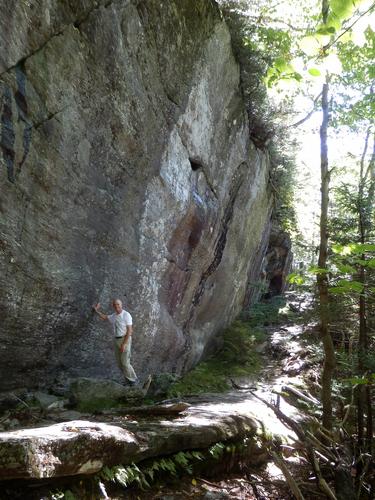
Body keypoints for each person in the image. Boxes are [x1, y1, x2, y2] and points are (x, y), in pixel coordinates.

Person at [92, 299, 138, 385]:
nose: (117, 306)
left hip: (125, 339)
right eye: (115, 305)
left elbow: (130, 331)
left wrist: (124, 344)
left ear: (121, 304)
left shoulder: (126, 315)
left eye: (118, 304)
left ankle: (133, 380)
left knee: (125, 362)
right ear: (113, 306)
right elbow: (105, 317)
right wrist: (96, 311)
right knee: (119, 363)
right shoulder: (114, 316)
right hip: (116, 340)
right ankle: (128, 380)